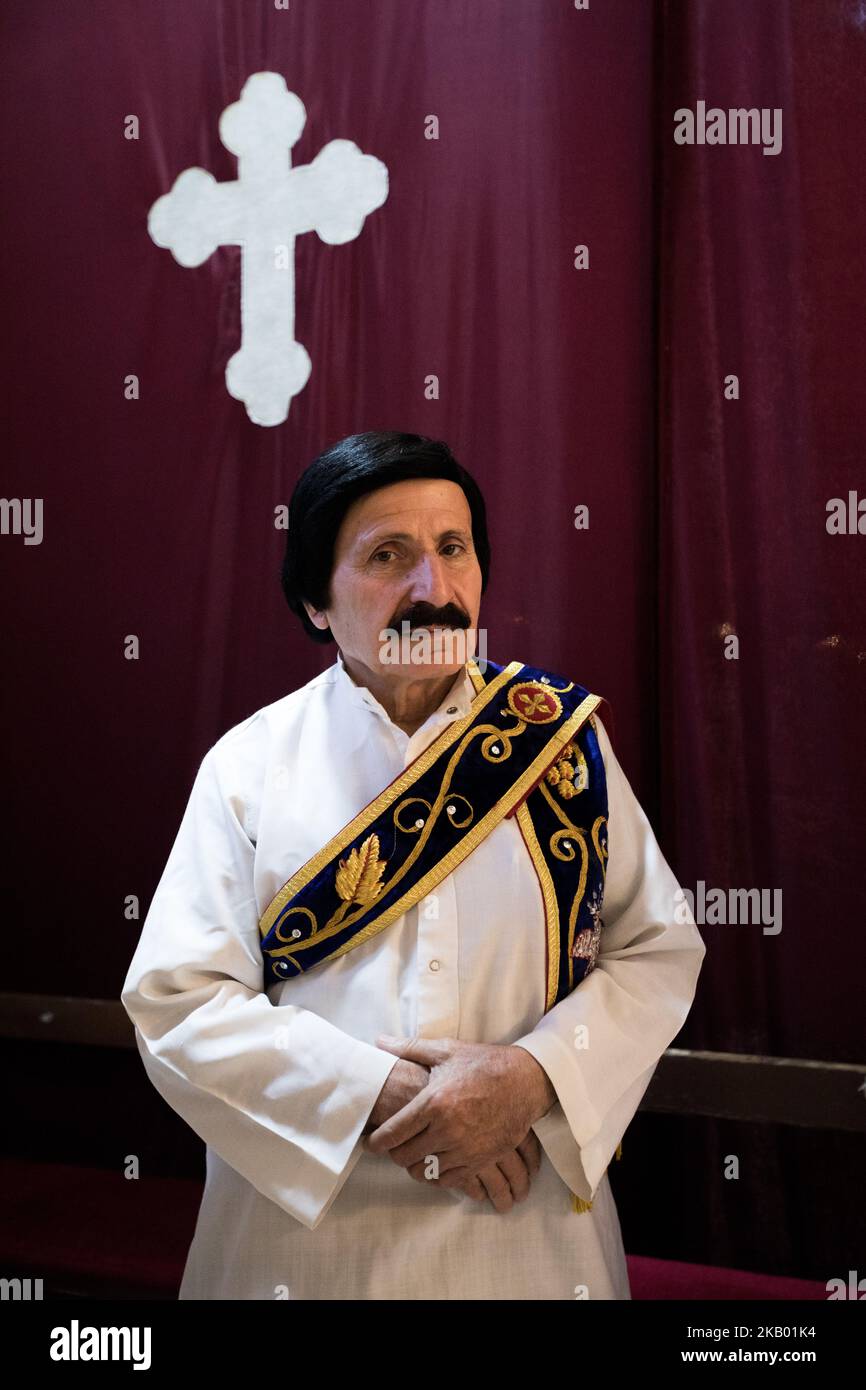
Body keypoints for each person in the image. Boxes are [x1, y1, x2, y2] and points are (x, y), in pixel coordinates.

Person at [121, 430, 706, 1300]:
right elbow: (179, 1003)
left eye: (453, 550)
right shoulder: (248, 768)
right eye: (388, 555)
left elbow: (657, 952)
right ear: (316, 600)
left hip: (527, 1239)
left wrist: (532, 1076)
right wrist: (377, 1094)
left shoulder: (563, 749)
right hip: (304, 1252)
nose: (432, 590)